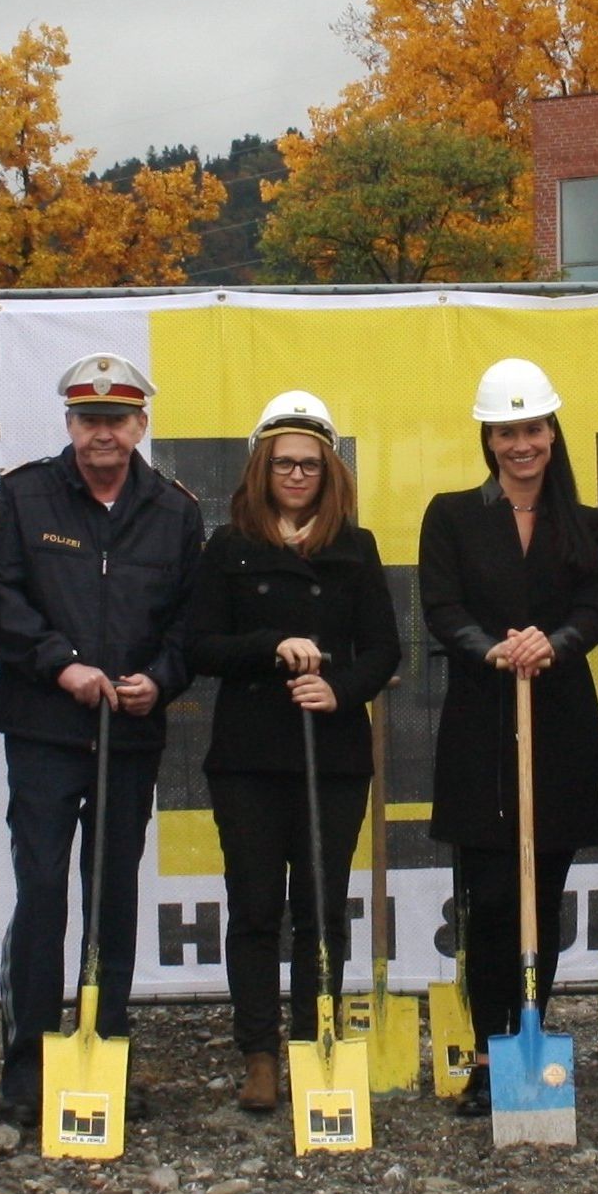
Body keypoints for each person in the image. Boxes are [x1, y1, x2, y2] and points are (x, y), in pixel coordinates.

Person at [0, 352, 200, 1132]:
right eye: (87, 419)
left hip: (129, 734)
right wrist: (61, 666)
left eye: (117, 420)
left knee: (112, 896)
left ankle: (103, 1049)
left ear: (140, 425)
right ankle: (27, 1068)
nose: (102, 434)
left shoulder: (174, 509)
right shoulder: (25, 493)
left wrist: (160, 680)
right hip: (45, 727)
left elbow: (188, 622)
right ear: (68, 422)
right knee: (41, 893)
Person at [182, 391, 400, 1113]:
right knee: (251, 908)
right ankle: (258, 1055)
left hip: (330, 757)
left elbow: (385, 649)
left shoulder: (355, 546)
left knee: (321, 909)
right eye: (284, 462)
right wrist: (271, 647)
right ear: (261, 466)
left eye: (310, 462)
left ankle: (314, 1041)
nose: (297, 474)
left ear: (329, 468)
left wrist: (338, 690)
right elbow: (201, 646)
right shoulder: (229, 546)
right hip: (248, 755)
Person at [418, 358, 598, 1117]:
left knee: (542, 896)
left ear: (553, 434)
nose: (520, 444)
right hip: (481, 730)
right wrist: (491, 647)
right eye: (506, 431)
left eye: (532, 428)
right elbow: (439, 606)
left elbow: (596, 609)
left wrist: (553, 643)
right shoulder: (453, 514)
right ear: (488, 438)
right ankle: (491, 1051)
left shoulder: (584, 522)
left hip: (559, 726)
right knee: (488, 900)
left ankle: (533, 1036)